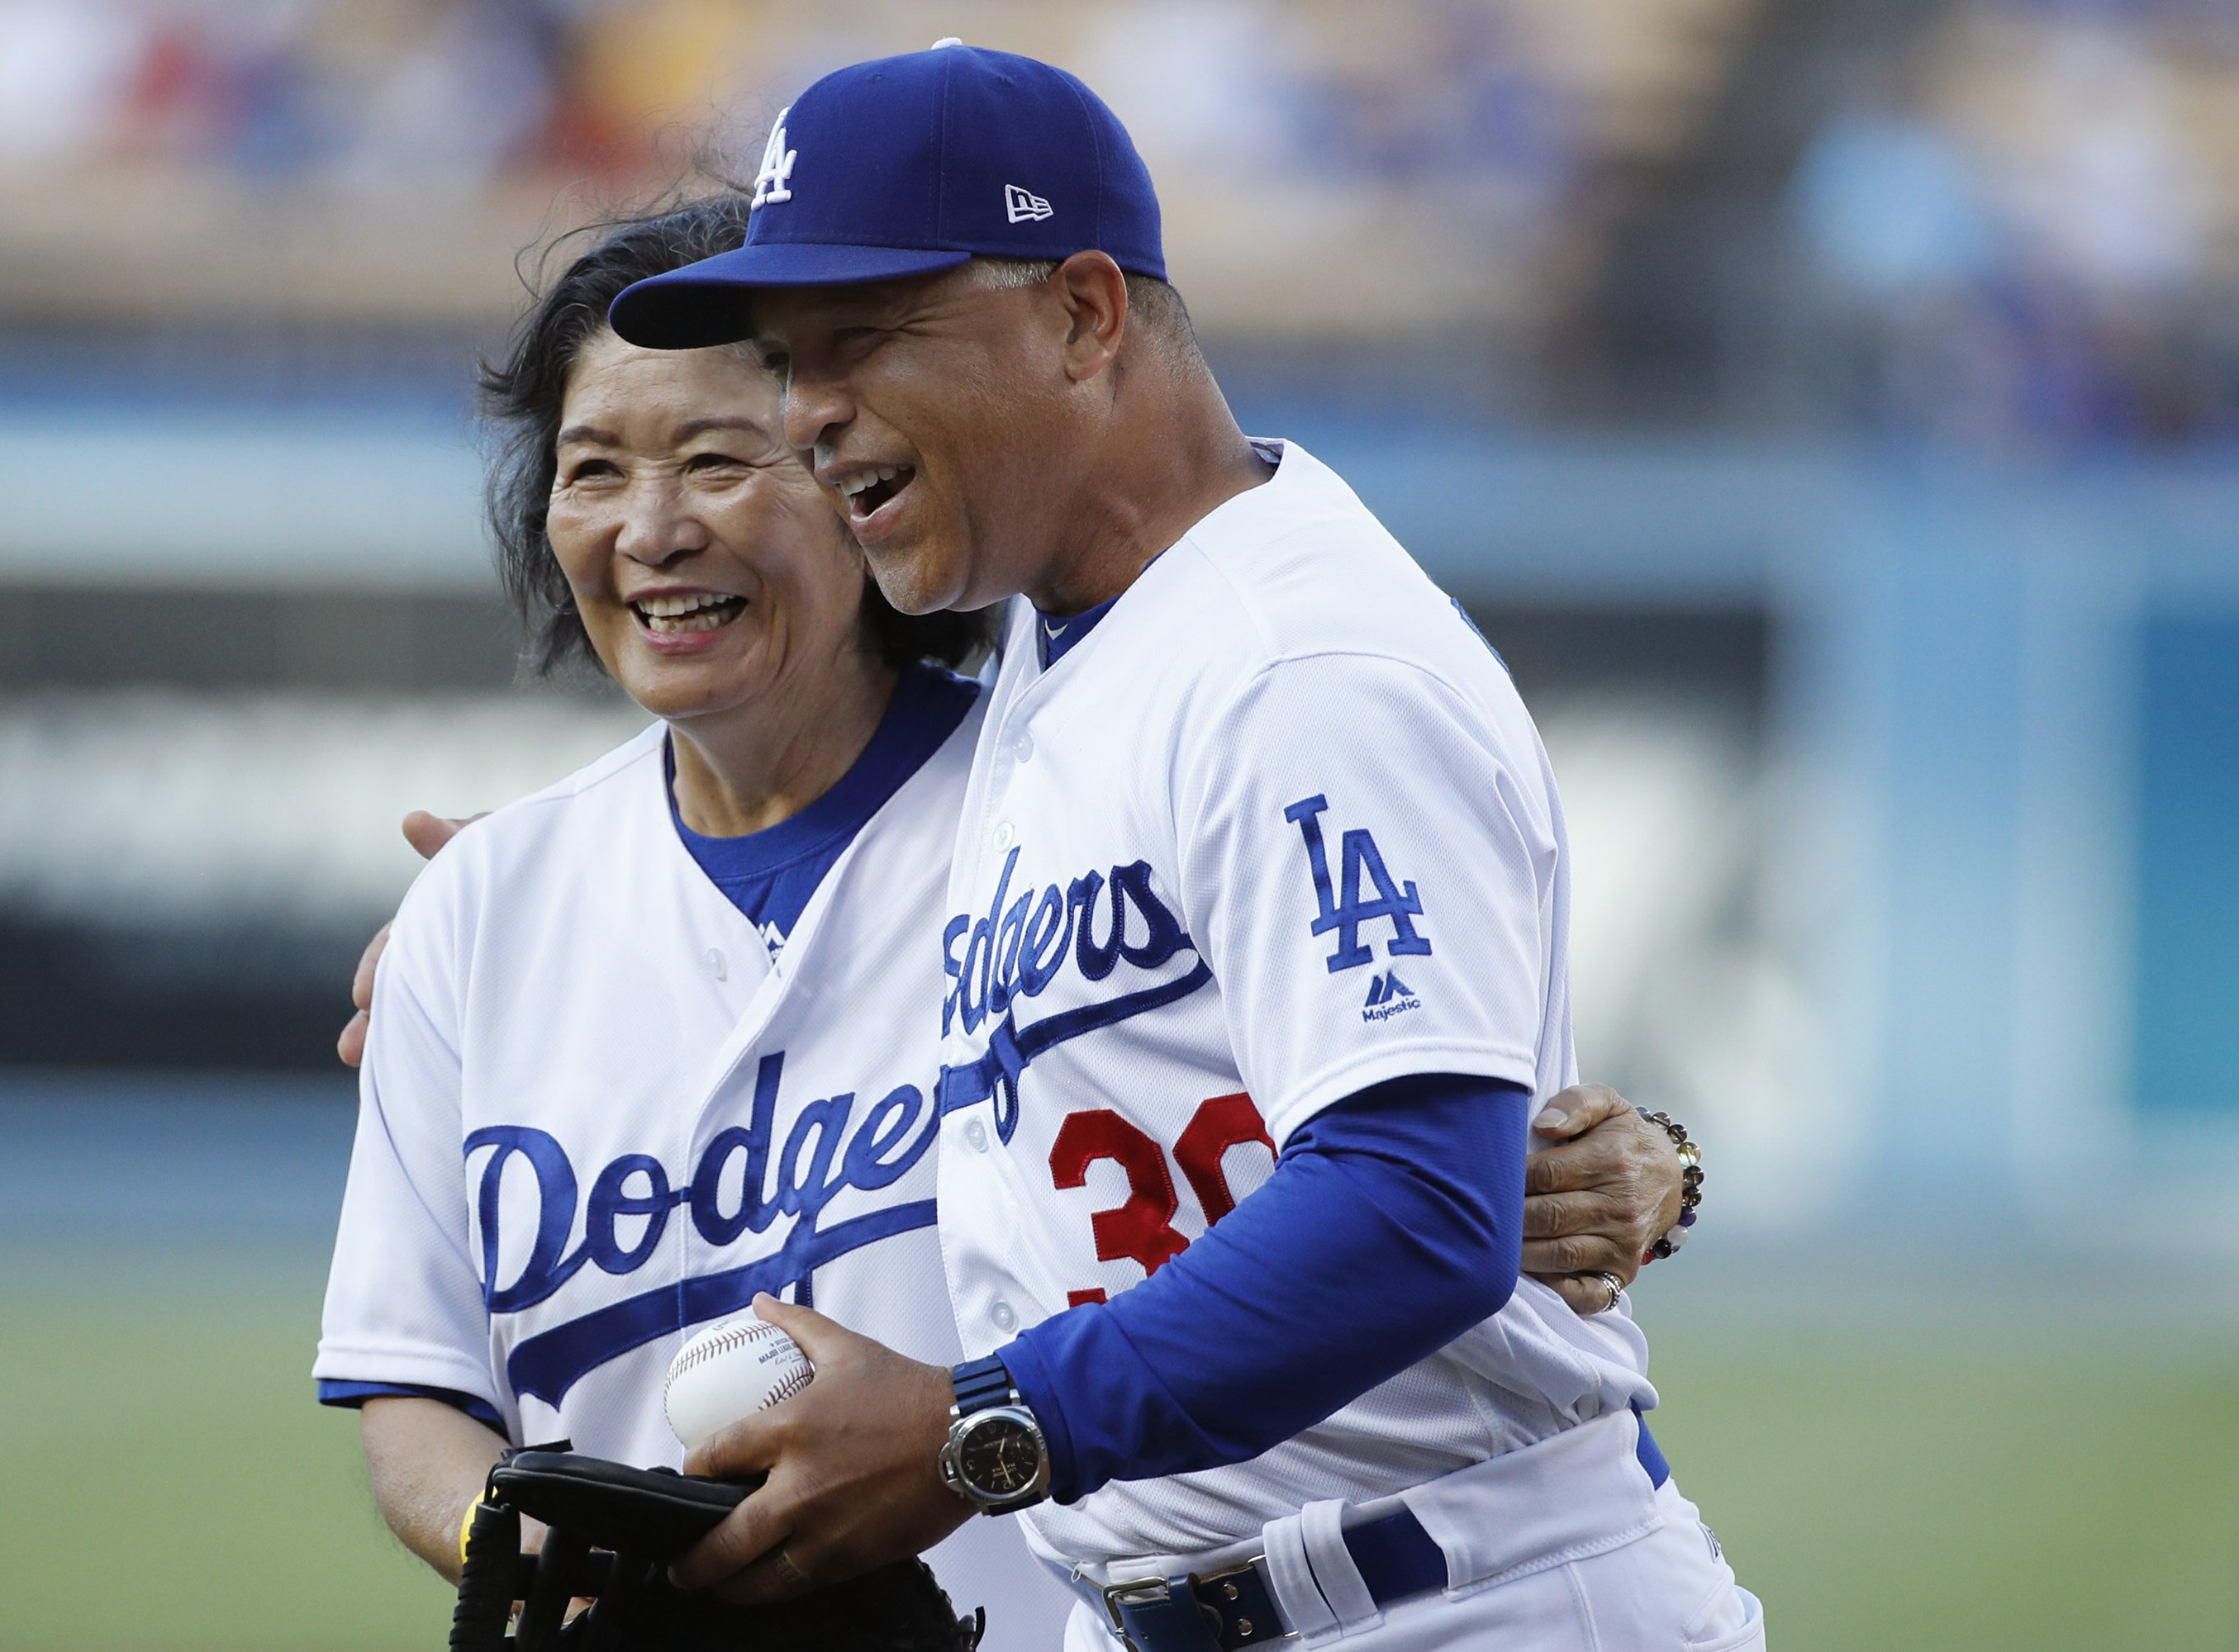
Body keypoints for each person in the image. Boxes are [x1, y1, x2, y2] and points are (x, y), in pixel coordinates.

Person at [316, 190, 1694, 1650]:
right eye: (592, 468)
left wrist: (1638, 1161)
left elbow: (1431, 1145)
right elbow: (416, 1382)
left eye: (722, 457)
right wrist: (584, 1579)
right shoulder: (486, 913)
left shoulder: (1077, 791)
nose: (654, 529)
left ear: (862, 483)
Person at [602, 43, 1760, 1652]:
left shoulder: (1294, 657)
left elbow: (1414, 1209)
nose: (807, 416)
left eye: (859, 339)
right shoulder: (1049, 638)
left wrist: (974, 1426)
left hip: (1453, 1600)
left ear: (1083, 315)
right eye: (788, 364)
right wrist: (482, 929)